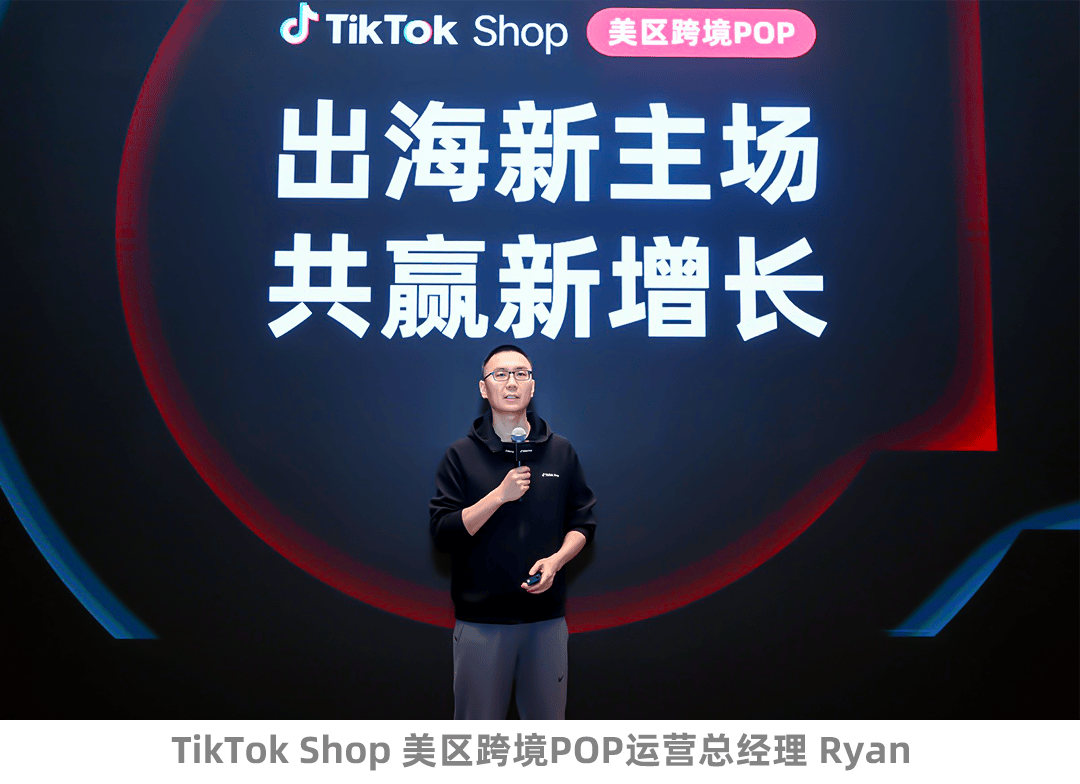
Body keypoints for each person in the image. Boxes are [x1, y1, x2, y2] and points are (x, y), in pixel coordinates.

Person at [430, 344, 597, 720]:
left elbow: (583, 522)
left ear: (532, 387)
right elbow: (443, 533)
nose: (511, 383)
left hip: (546, 623)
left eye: (521, 374)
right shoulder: (461, 455)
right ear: (483, 387)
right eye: (500, 374)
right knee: (476, 739)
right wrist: (499, 496)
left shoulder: (561, 451)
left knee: (545, 741)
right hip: (480, 625)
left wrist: (557, 561)